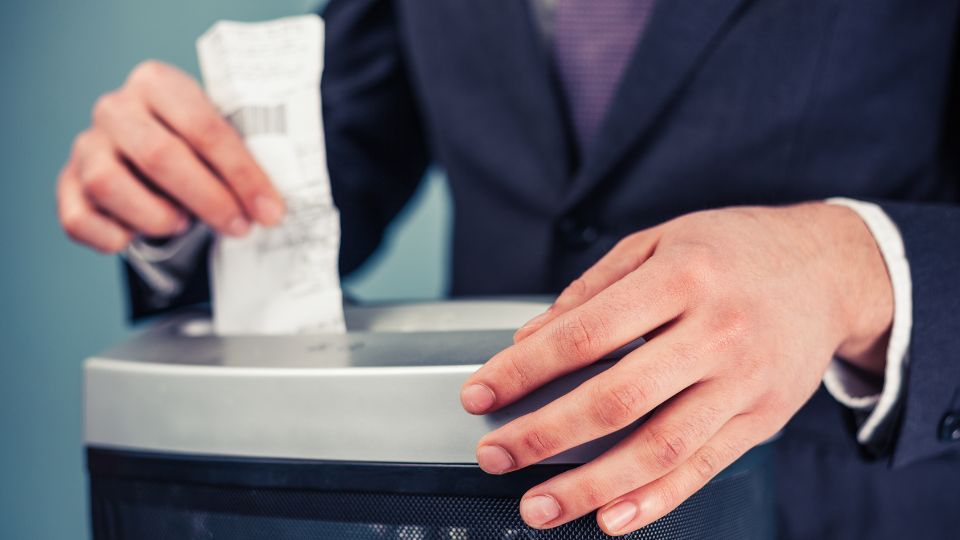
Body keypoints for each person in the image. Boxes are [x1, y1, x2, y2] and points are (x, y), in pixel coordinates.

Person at [56, 1, 960, 538]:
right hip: (476, 503)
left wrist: (853, 268)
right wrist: (176, 192)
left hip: (838, 504)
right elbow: (328, 164)